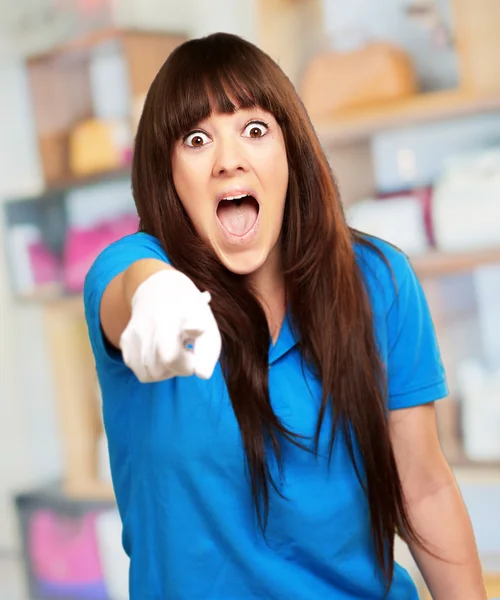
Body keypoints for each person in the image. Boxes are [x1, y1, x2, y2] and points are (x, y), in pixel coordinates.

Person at [83, 32, 486, 600]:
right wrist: (156, 299)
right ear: (168, 175)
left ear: (291, 150)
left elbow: (423, 488)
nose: (229, 161)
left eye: (254, 130)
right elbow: (128, 289)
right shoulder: (134, 271)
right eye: (197, 140)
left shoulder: (378, 281)